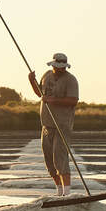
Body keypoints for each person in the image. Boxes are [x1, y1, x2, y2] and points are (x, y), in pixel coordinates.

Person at [28, 52, 79, 196]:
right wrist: (32, 81)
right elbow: (40, 94)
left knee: (60, 159)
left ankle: (67, 194)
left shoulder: (71, 80)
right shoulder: (46, 75)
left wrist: (52, 100)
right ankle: (59, 192)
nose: (60, 69)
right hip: (46, 124)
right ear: (53, 65)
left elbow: (73, 101)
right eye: (57, 66)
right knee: (49, 161)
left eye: (62, 67)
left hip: (62, 125)